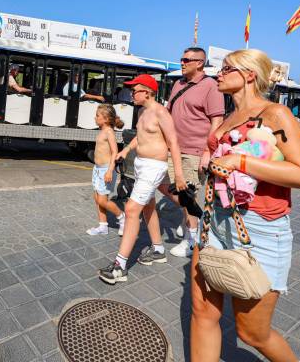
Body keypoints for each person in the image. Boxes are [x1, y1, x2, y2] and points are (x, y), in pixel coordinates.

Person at [190, 49, 300, 361]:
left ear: (248, 75)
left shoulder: (275, 114)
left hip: (259, 228)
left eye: (226, 68)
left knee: (252, 333)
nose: (218, 73)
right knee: (202, 314)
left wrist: (239, 160)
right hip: (213, 221)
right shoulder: (228, 116)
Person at [99, 74, 185, 284]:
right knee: (148, 206)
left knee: (131, 209)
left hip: (154, 166)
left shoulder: (161, 112)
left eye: (134, 90)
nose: (131, 94)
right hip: (141, 164)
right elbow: (142, 136)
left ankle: (120, 267)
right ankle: (158, 249)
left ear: (147, 92)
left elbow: (173, 142)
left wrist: (179, 174)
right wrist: (126, 150)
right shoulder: (142, 111)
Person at [159, 47, 225, 258]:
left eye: (187, 60)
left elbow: (217, 121)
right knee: (163, 185)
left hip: (194, 149)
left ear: (200, 63)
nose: (182, 62)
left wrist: (208, 151)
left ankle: (192, 239)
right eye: (181, 58)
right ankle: (193, 217)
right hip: (173, 148)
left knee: (187, 194)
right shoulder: (178, 83)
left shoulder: (211, 86)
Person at [86, 104, 126, 236]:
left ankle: (122, 217)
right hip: (97, 169)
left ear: (106, 119)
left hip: (105, 170)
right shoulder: (102, 130)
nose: (95, 117)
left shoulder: (109, 132)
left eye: (98, 116)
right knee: (97, 197)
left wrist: (110, 171)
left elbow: (115, 152)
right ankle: (103, 226)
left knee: (103, 200)